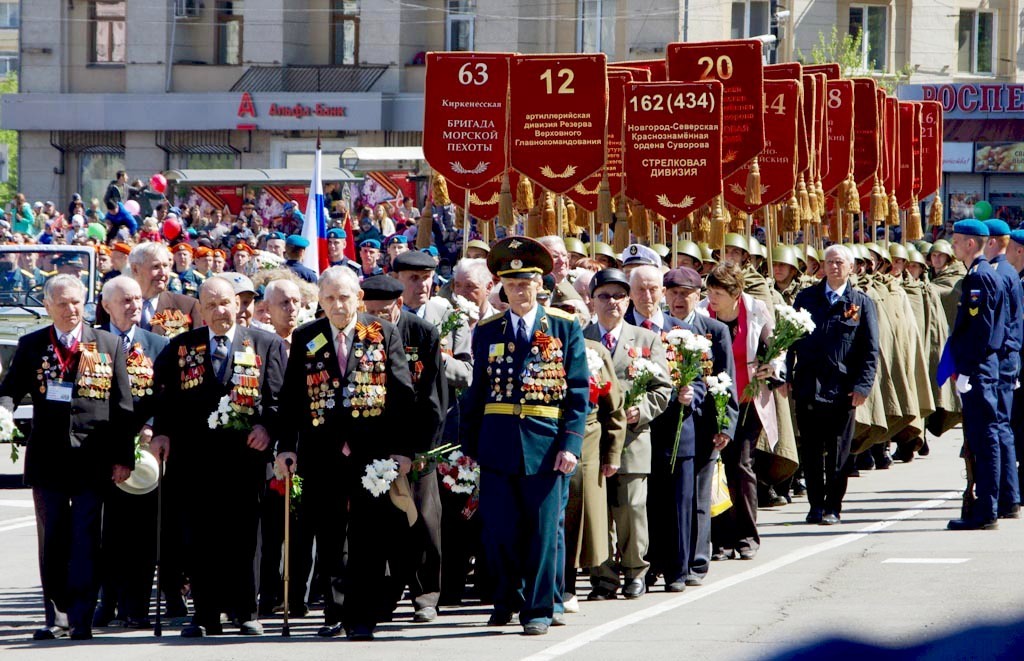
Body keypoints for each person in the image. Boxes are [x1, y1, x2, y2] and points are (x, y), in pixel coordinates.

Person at [275, 267, 416, 641]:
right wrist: (286, 447)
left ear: (359, 298)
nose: (338, 305)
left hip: (373, 455)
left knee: (369, 536)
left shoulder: (382, 332)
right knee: (329, 534)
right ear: (320, 301)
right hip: (322, 453)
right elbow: (291, 400)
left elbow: (402, 396)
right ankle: (335, 611)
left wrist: (404, 451)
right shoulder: (307, 336)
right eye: (330, 298)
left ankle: (362, 616)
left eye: (345, 297)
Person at [460, 236, 588, 635]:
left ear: (539, 285)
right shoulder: (488, 331)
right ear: (502, 287)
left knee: (543, 532)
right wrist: (470, 445)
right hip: (498, 443)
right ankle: (506, 600)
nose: (519, 290)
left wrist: (571, 443)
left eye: (526, 283)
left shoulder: (564, 328)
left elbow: (579, 390)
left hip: (545, 443)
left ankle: (538, 609)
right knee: (499, 529)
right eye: (511, 284)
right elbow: (477, 390)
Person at [0, 274, 134, 641]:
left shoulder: (107, 343)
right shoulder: (31, 345)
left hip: (93, 458)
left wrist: (124, 458)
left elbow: (123, 407)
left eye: (76, 302)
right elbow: (10, 391)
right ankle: (55, 616)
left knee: (86, 538)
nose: (71, 309)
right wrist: (4, 412)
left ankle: (81, 618)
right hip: (48, 460)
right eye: (62, 303)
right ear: (48, 306)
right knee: (53, 538)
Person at [150, 277, 287, 637]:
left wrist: (267, 429)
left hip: (245, 461)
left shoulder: (265, 343)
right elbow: (163, 400)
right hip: (195, 463)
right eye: (210, 305)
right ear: (200, 309)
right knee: (200, 539)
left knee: (244, 537)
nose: (219, 311)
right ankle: (205, 614)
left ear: (237, 304)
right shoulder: (181, 348)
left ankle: (245, 611)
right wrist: (160, 432)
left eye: (225, 303)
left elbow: (278, 401)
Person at [361, 274, 447, 623]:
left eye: (384, 312)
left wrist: (416, 453)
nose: (376, 320)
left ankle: (426, 595)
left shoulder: (423, 333)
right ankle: (388, 594)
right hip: (376, 443)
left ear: (398, 306)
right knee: (385, 525)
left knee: (424, 520)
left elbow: (434, 400)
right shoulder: (362, 332)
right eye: (371, 312)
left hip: (416, 445)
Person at [584, 268, 671, 600]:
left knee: (632, 510)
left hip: (633, 439)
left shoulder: (645, 338)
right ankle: (603, 577)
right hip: (594, 440)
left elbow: (663, 388)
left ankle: (636, 572)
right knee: (597, 512)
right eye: (604, 296)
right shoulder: (581, 337)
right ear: (592, 300)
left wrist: (642, 410)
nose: (613, 303)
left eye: (619, 296)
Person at [93, 276, 170, 629]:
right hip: (104, 451)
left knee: (140, 535)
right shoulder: (92, 344)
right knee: (107, 534)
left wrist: (151, 425)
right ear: (107, 305)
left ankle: (136, 606)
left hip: (144, 455)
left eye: (138, 299)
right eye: (125, 300)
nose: (134, 305)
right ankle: (106, 602)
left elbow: (166, 396)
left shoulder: (157, 344)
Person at [786, 245, 879, 525]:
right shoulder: (806, 299)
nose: (834, 267)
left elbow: (870, 349)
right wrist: (787, 377)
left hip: (842, 389)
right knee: (811, 450)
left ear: (851, 267)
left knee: (838, 452)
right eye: (829, 262)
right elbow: (789, 340)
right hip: (809, 386)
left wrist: (863, 387)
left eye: (840, 262)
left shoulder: (861, 303)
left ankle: (832, 506)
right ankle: (815, 505)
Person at [626, 264, 704, 593]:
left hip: (676, 429)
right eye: (640, 290)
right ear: (630, 293)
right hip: (635, 433)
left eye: (653, 289)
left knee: (678, 503)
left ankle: (677, 568)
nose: (647, 296)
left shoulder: (681, 333)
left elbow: (701, 380)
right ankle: (645, 566)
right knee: (642, 504)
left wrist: (691, 394)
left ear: (663, 293)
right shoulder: (622, 330)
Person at [699, 261, 781, 560]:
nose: (712, 297)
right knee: (715, 468)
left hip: (746, 400)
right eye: (709, 290)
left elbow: (777, 350)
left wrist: (771, 366)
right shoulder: (701, 314)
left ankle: (747, 535)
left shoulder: (756, 310)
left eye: (718, 292)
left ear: (736, 294)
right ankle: (720, 539)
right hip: (713, 401)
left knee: (741, 466)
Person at [663, 267, 737, 585]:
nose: (679, 299)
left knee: (698, 497)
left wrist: (726, 426)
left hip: (704, 424)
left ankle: (697, 560)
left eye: (686, 293)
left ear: (699, 296)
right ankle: (666, 558)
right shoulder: (660, 327)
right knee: (668, 496)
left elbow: (726, 382)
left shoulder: (714, 330)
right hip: (667, 424)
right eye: (674, 293)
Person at [946, 220, 1008, 530]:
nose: (953, 246)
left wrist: (967, 371)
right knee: (982, 439)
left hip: (979, 371)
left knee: (984, 440)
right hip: (983, 370)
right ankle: (985, 507)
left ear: (971, 244)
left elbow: (980, 331)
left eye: (957, 241)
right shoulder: (981, 276)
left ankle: (986, 510)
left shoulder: (979, 279)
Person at [982, 219, 1023, 518]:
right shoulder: (1009, 273)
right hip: (1011, 360)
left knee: (1000, 428)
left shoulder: (1001, 275)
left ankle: (1008, 495)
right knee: (1007, 427)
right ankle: (1010, 494)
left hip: (1005, 361)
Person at [99, 242, 202, 337]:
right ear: (135, 269)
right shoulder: (112, 302)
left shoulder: (187, 306)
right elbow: (103, 341)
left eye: (166, 266)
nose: (163, 273)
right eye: (156, 267)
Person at [537, 236, 585, 307]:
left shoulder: (579, 282)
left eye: (564, 255)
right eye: (555, 256)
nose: (562, 261)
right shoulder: (535, 287)